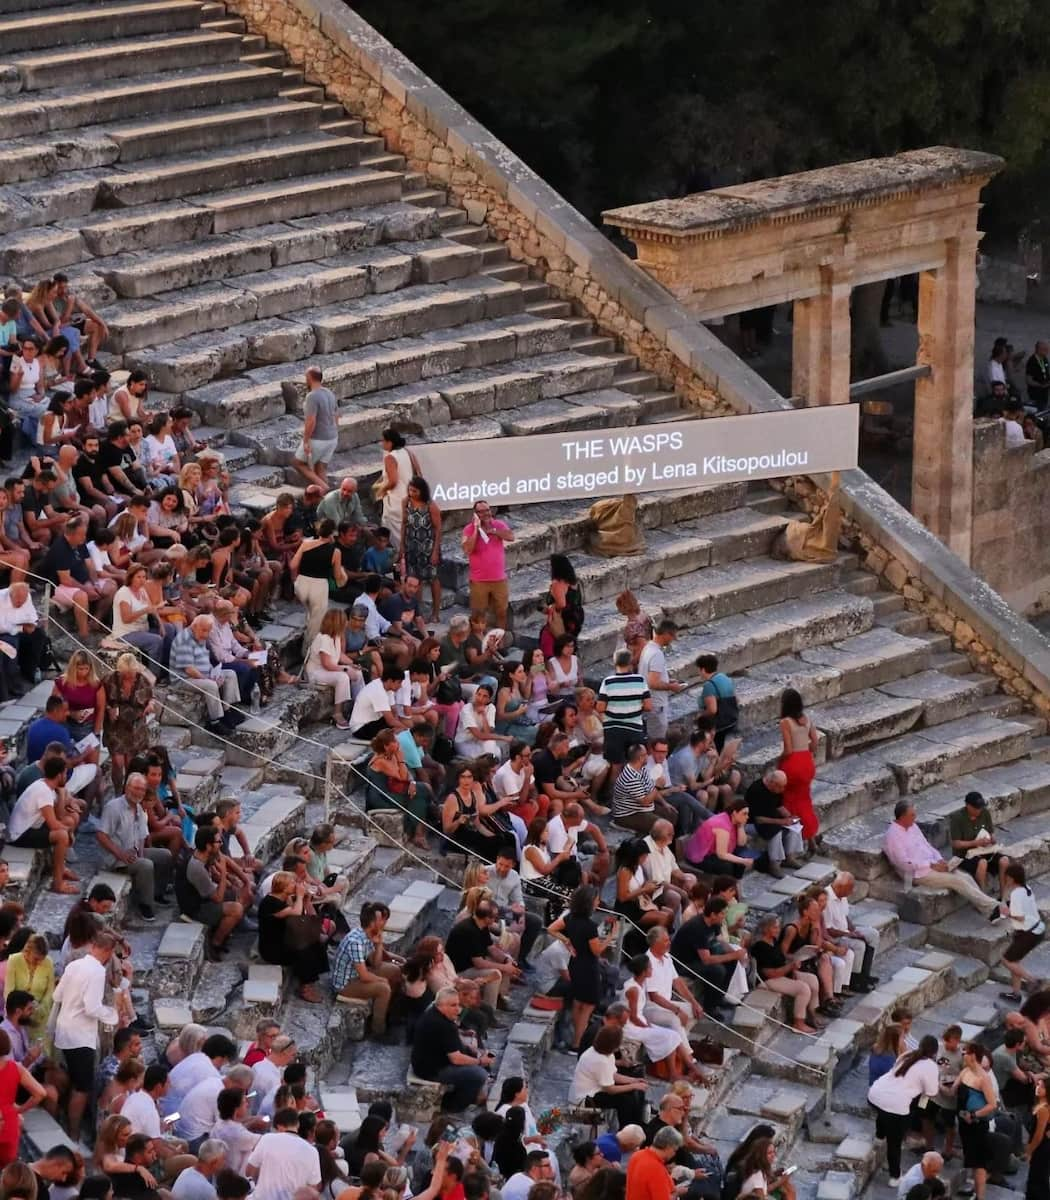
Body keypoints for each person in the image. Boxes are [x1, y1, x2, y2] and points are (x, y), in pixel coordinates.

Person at [52, 929, 120, 1139]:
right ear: (108, 952)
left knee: (70, 1078)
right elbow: (92, 1008)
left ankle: (63, 1123)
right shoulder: (97, 972)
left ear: (92, 946)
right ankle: (73, 1132)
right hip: (80, 1036)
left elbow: (57, 994)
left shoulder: (73, 965)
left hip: (63, 1031)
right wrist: (111, 1014)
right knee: (82, 1086)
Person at [883, 800, 998, 917]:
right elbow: (904, 863)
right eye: (912, 815)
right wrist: (931, 865)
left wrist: (939, 860)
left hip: (932, 864)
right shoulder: (892, 836)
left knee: (965, 876)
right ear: (902, 817)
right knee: (957, 881)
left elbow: (927, 846)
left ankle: (987, 908)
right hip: (917, 873)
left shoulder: (913, 827)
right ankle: (993, 907)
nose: (915, 817)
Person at [547, 884, 618, 1050]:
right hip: (588, 968)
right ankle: (578, 1043)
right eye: (596, 899)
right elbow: (597, 950)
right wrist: (611, 936)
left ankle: (575, 1040)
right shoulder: (590, 926)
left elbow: (551, 929)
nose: (598, 901)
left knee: (578, 1004)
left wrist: (566, 940)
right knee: (587, 1007)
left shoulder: (569, 918)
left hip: (575, 964)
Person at [97, 773, 173, 923]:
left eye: (141, 790)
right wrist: (121, 854)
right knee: (146, 865)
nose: (138, 792)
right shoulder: (113, 808)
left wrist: (141, 854)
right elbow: (101, 835)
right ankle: (146, 905)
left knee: (165, 855)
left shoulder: (139, 809)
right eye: (135, 788)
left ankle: (157, 893)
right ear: (127, 788)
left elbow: (141, 836)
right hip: (115, 858)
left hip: (132, 853)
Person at [867, 1036, 940, 1186]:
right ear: (934, 1053)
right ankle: (895, 1177)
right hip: (896, 1106)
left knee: (884, 1112)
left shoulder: (907, 1054)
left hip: (875, 1094)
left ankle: (879, 1136)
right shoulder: (931, 1066)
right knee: (895, 1141)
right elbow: (932, 1093)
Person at [411, 986, 494, 1112]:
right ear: (441, 1005)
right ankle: (453, 1106)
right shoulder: (443, 1024)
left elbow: (449, 1043)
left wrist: (469, 1049)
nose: (458, 1010)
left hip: (425, 1063)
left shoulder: (433, 1013)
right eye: (453, 1006)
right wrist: (480, 1061)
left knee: (475, 1053)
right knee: (479, 1074)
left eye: (457, 1005)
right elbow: (456, 1059)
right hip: (432, 1070)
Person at [6, 754, 77, 895]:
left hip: (32, 827)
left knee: (69, 821)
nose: (66, 776)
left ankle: (61, 868)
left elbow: (60, 816)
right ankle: (58, 883)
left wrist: (62, 794)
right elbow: (54, 824)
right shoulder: (43, 791)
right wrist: (69, 832)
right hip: (20, 834)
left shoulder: (46, 786)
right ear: (58, 775)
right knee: (62, 836)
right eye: (65, 773)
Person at [332, 901, 403, 1037]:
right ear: (372, 923)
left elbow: (376, 964)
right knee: (384, 989)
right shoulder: (355, 941)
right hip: (346, 984)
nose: (385, 922)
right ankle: (379, 1031)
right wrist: (382, 980)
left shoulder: (367, 935)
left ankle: (389, 1011)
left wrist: (379, 944)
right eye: (382, 919)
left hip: (357, 974)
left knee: (394, 970)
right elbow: (364, 976)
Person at [258, 872, 329, 1003]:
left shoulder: (285, 899)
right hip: (272, 948)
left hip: (285, 939)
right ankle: (305, 988)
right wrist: (301, 897)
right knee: (305, 950)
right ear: (284, 887)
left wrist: (306, 900)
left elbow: (303, 917)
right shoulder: (270, 903)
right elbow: (296, 914)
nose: (296, 885)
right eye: (292, 883)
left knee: (317, 941)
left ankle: (311, 980)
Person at [669, 898, 746, 1017]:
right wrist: (733, 955)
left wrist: (736, 953)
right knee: (717, 971)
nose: (724, 916)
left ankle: (719, 997)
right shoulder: (698, 928)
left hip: (698, 957)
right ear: (713, 914)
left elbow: (720, 941)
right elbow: (707, 959)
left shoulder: (714, 923)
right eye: (722, 913)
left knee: (731, 961)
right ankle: (710, 1006)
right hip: (683, 963)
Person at [169, 615, 244, 736]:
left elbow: (204, 661)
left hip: (200, 674)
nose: (206, 634)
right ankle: (215, 720)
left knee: (230, 674)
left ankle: (227, 710)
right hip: (183, 679)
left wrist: (214, 673)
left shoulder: (200, 637)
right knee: (210, 685)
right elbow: (189, 669)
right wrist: (208, 678)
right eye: (204, 630)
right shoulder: (184, 640)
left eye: (208, 631)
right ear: (194, 626)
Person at [749, 914, 823, 1034]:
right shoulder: (760, 947)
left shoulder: (773, 941)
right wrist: (790, 967)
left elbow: (782, 959)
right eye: (775, 927)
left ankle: (812, 1015)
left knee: (812, 980)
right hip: (768, 980)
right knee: (803, 988)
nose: (778, 930)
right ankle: (798, 1023)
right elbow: (769, 973)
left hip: (782, 973)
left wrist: (793, 966)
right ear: (766, 928)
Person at [571, 1026, 648, 1130]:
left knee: (632, 1091)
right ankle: (626, 1129)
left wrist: (633, 1081)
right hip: (585, 1099)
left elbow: (613, 1075)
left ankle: (636, 1124)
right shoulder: (600, 1060)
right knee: (625, 1099)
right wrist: (634, 1086)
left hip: (596, 1090)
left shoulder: (607, 1054)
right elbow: (610, 1089)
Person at [104, 654, 155, 795]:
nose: (129, 678)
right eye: (125, 675)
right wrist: (109, 709)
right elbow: (101, 698)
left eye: (131, 675)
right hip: (115, 727)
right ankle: (117, 790)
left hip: (134, 727)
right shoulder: (110, 679)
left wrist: (150, 705)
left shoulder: (142, 680)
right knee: (117, 761)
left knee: (130, 763)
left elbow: (151, 697)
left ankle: (129, 792)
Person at [246, 1107, 322, 1200]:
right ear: (297, 1125)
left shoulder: (267, 1139)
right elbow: (313, 1187)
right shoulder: (312, 1151)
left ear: (278, 1126)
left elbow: (249, 1172)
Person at [822, 872, 879, 994]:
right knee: (859, 945)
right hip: (835, 936)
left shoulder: (842, 896)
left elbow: (845, 916)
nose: (852, 892)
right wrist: (848, 934)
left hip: (845, 931)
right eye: (850, 889)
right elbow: (828, 930)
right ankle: (855, 980)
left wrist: (854, 930)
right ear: (840, 887)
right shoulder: (827, 899)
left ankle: (865, 974)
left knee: (873, 934)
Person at [997, 863, 1047, 1002]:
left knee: (1006, 960)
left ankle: (1033, 981)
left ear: (1012, 878)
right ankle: (1016, 994)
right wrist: (1006, 889)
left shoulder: (1017, 894)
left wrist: (1007, 913)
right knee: (1015, 960)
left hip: (1029, 933)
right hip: (1035, 929)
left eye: (1006, 877)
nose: (1005, 879)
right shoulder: (1026, 888)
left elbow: (1019, 916)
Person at [778, 688, 820, 852]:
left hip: (793, 763)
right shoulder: (807, 719)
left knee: (789, 802)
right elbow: (815, 743)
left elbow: (788, 749)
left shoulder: (785, 722)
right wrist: (805, 752)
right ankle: (811, 840)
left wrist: (779, 760)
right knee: (805, 801)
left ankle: (793, 846)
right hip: (806, 762)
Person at [955, 1042, 997, 1200]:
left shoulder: (983, 1078)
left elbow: (992, 1104)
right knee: (971, 1159)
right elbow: (954, 1089)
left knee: (979, 1163)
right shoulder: (966, 1071)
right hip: (964, 1123)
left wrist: (974, 1115)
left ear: (973, 1055)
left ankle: (980, 1197)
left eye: (965, 1052)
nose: (963, 1055)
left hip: (976, 1125)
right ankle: (974, 1189)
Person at [461, 500, 513, 629]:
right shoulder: (468, 529)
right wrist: (476, 531)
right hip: (479, 581)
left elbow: (511, 537)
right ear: (475, 514)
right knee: (478, 614)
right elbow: (467, 549)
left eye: (487, 510)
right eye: (481, 511)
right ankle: (479, 641)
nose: (485, 513)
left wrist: (494, 531)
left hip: (499, 579)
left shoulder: (498, 524)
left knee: (501, 612)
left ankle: (499, 639)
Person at [743, 770, 804, 878]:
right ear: (772, 784)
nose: (783, 790)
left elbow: (779, 806)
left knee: (794, 825)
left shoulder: (777, 790)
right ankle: (774, 864)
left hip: (770, 818)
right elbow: (758, 819)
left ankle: (789, 857)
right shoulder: (756, 791)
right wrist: (781, 822)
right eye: (781, 787)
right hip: (752, 823)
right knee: (775, 831)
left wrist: (790, 817)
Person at [949, 791, 1010, 897]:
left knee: (1004, 860)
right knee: (982, 863)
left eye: (980, 807)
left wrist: (992, 839)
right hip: (965, 854)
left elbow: (990, 832)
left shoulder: (984, 813)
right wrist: (975, 842)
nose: (979, 810)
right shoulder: (957, 818)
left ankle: (1004, 896)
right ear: (968, 806)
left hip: (984, 849)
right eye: (976, 808)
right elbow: (956, 844)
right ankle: (982, 896)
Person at [638, 621, 685, 742]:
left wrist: (668, 680)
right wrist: (671, 686)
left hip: (649, 702)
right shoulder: (656, 654)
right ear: (665, 634)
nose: (673, 639)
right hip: (656, 706)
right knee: (657, 742)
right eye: (672, 635)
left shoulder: (648, 647)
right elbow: (653, 682)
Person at [683, 799, 755, 878]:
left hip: (715, 852)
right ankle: (729, 884)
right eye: (744, 814)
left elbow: (741, 844)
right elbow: (722, 854)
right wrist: (743, 861)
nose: (747, 817)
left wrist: (740, 827)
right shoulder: (722, 826)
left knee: (743, 852)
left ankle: (735, 880)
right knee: (727, 866)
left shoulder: (734, 820)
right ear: (734, 813)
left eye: (747, 814)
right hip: (701, 856)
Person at [293, 368, 338, 491]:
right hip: (332, 437)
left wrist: (306, 441)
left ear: (309, 378)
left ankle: (325, 488)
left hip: (318, 439)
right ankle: (329, 499)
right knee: (321, 468)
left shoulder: (312, 396)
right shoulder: (329, 393)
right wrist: (334, 433)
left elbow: (311, 420)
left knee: (298, 463)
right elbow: (336, 416)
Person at [1027, 1077, 1050, 1200]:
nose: (1038, 1088)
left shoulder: (1043, 1109)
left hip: (1041, 1147)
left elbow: (1038, 1134)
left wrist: (1030, 1151)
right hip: (1043, 1145)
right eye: (1038, 1085)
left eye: (1042, 1087)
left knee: (1038, 1177)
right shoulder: (1041, 1105)